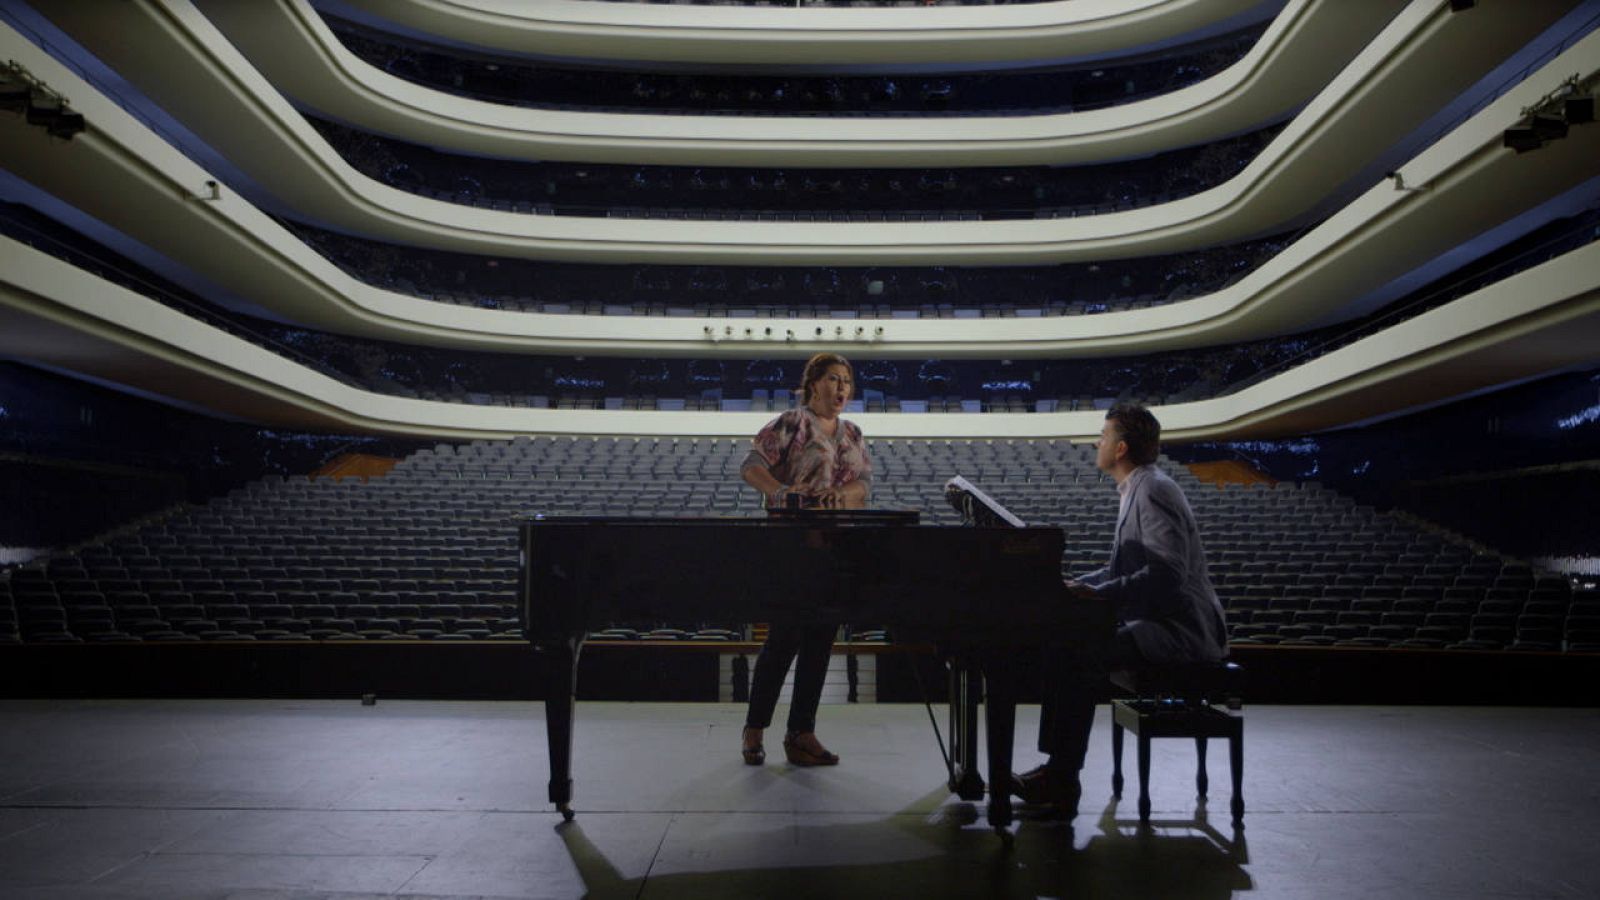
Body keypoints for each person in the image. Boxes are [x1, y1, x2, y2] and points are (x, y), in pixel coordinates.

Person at [1015, 403, 1228, 814]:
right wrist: (1080, 585)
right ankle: (1057, 772)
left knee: (1077, 657)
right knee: (1067, 648)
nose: (1098, 441)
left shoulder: (1153, 489)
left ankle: (1061, 780)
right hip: (1158, 622)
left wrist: (1100, 594)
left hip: (1181, 630)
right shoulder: (1138, 487)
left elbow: (1167, 575)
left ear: (1121, 448)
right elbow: (1119, 570)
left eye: (1104, 435)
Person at [737, 352, 873, 766]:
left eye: (847, 381)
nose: (842, 389)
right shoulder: (792, 423)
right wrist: (778, 492)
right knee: (783, 640)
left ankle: (802, 733)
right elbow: (751, 465)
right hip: (792, 546)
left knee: (820, 642)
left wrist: (842, 495)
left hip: (836, 547)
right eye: (833, 379)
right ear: (813, 383)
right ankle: (754, 729)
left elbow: (863, 485)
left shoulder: (852, 432)